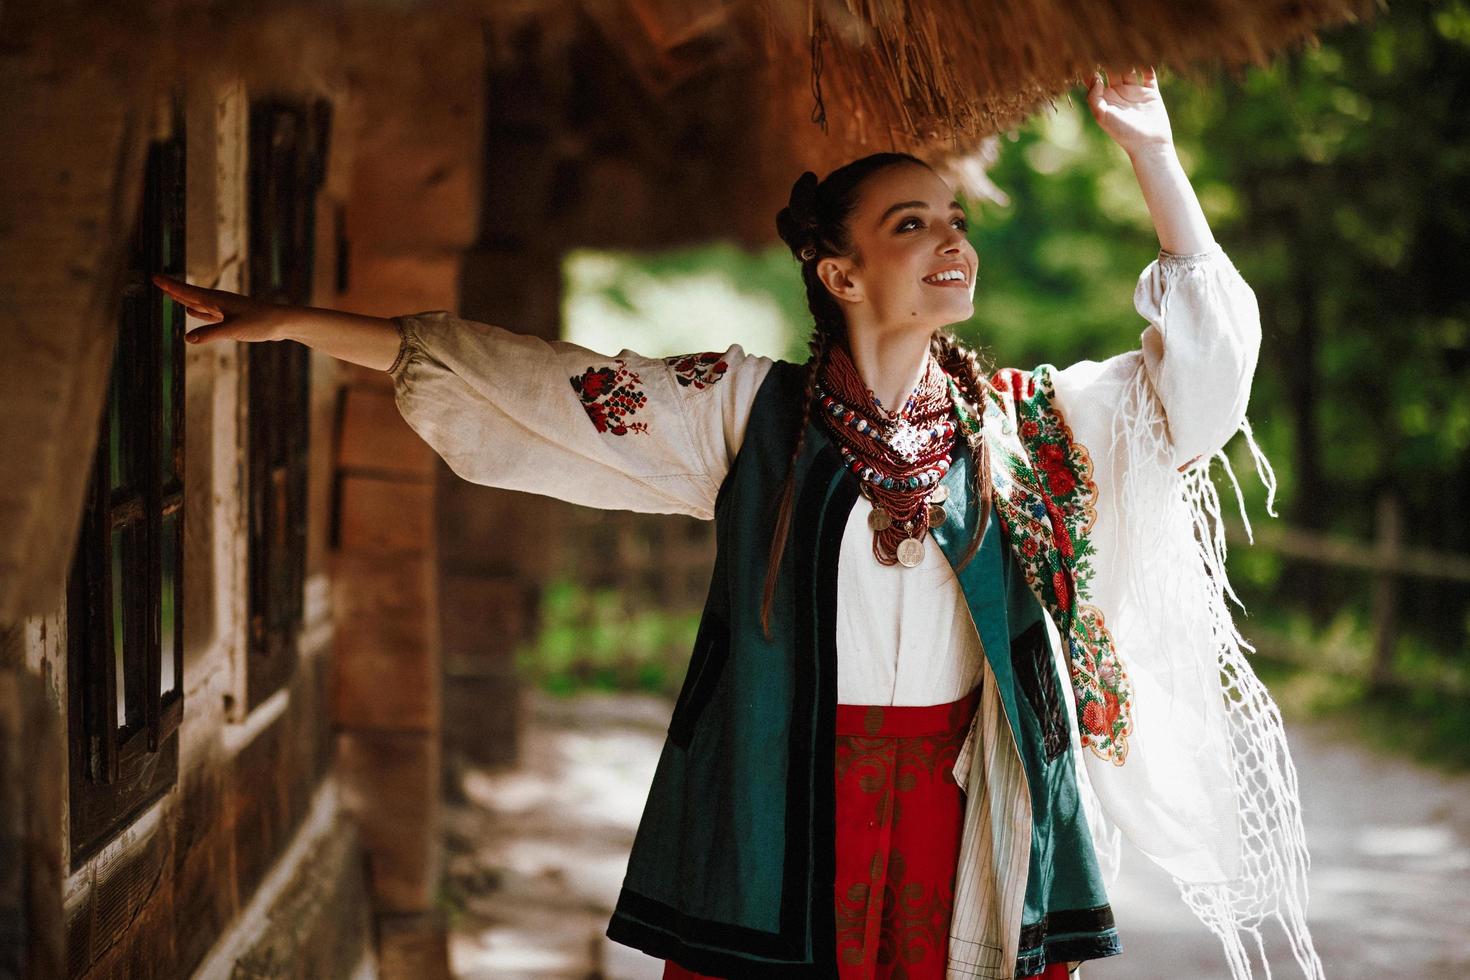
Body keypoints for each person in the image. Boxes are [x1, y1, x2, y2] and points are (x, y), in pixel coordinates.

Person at [153, 66, 1321, 980]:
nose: (954, 240)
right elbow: (537, 384)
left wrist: (1153, 151)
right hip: (784, 802)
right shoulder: (744, 411)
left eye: (954, 218)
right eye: (912, 222)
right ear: (841, 271)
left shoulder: (1029, 424)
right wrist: (303, 320)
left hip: (969, 813)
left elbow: (1204, 390)